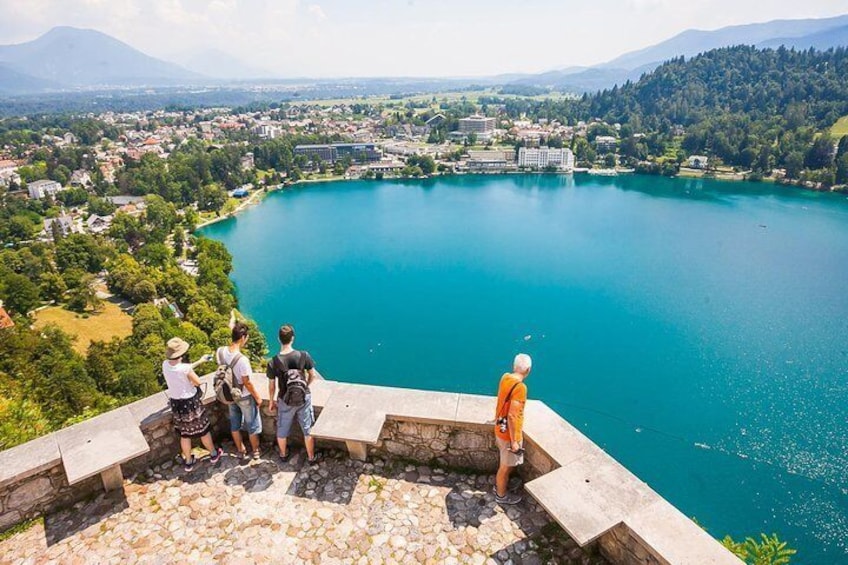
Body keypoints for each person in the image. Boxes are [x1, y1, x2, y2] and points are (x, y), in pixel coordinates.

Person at [162, 337, 223, 472]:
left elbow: (183, 368)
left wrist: (200, 361)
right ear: (181, 354)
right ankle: (213, 454)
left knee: (185, 434)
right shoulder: (184, 368)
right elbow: (197, 382)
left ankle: (189, 461)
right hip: (190, 403)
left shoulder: (165, 364)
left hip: (176, 404)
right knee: (203, 430)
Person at [267, 324, 323, 465]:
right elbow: (312, 375)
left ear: (279, 339)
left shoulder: (273, 362)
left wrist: (271, 401)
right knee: (307, 429)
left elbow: (272, 385)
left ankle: (283, 454)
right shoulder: (303, 355)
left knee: (282, 428)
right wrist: (305, 387)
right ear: (293, 338)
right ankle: (311, 457)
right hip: (304, 397)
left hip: (285, 399)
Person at [217, 322, 263, 460]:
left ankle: (240, 449)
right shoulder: (242, 360)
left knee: (235, 423)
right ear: (243, 337)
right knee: (252, 424)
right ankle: (255, 451)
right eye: (247, 337)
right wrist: (258, 397)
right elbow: (247, 382)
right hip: (244, 396)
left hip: (228, 394)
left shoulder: (220, 351)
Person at [493, 353, 532, 505]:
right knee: (505, 467)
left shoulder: (505, 377)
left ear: (514, 366)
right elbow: (513, 416)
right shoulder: (520, 388)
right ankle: (501, 495)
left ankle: (501, 485)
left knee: (507, 465)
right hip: (508, 435)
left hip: (499, 427)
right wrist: (515, 441)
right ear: (528, 370)